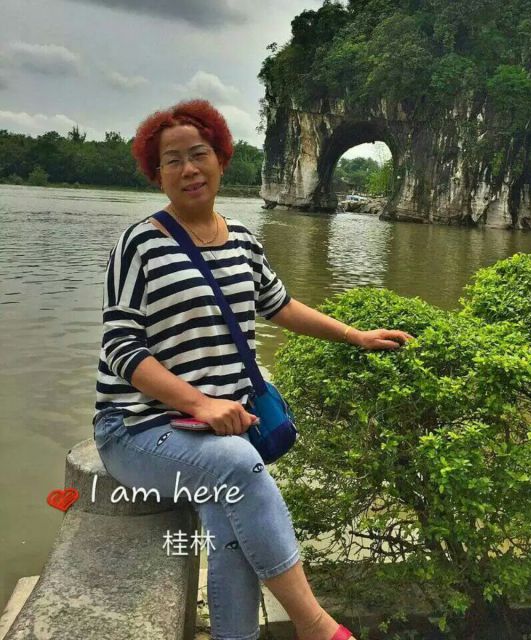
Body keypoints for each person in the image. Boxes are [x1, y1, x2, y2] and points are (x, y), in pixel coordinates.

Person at [92, 99, 413, 640]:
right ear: (157, 174)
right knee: (239, 465)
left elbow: (279, 305)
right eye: (173, 160)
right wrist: (200, 403)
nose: (189, 169)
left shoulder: (241, 237)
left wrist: (354, 335)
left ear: (221, 159)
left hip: (216, 429)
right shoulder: (140, 243)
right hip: (138, 428)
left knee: (232, 532)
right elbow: (121, 349)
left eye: (199, 154)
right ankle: (316, 626)